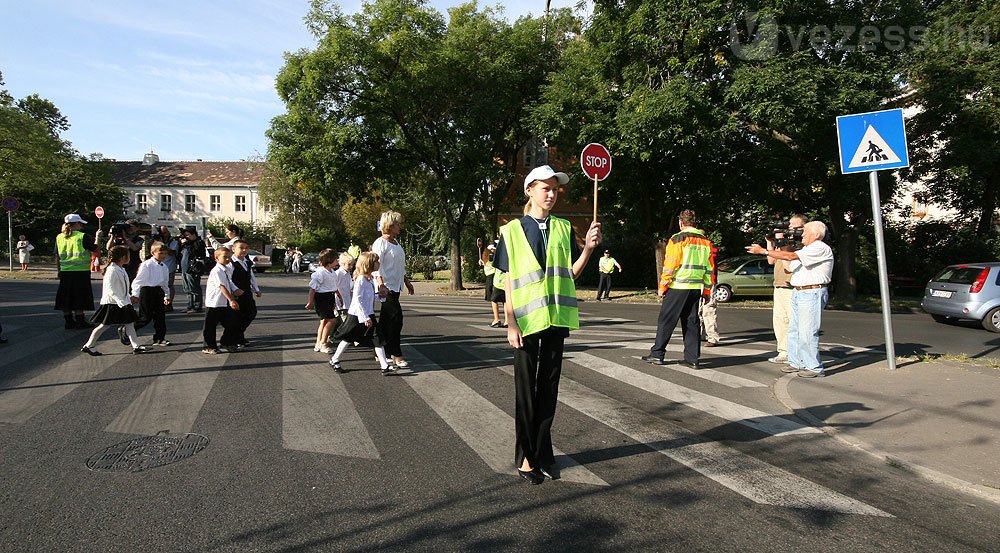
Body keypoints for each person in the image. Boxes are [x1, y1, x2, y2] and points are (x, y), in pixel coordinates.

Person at [494, 164, 602, 485]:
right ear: (530, 191)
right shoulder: (512, 230)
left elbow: (570, 273)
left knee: (549, 391)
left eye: (555, 188)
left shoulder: (564, 228)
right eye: (546, 188)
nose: (552, 194)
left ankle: (544, 453)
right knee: (526, 392)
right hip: (526, 322)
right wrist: (511, 323)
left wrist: (588, 249)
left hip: (556, 319)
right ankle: (526, 456)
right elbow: (509, 282)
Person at [747, 221, 834, 377]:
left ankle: (814, 367)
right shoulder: (806, 249)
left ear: (816, 235)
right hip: (799, 292)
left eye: (805, 232)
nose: (802, 235)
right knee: (794, 330)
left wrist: (764, 252)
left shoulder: (819, 248)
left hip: (811, 292)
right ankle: (797, 362)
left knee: (807, 332)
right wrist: (780, 243)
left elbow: (790, 256)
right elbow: (788, 265)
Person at [641, 209, 714, 369]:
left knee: (666, 321)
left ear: (681, 222)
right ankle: (692, 358)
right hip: (695, 288)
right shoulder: (705, 241)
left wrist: (663, 286)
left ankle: (657, 354)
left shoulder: (677, 238)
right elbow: (709, 269)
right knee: (692, 323)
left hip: (678, 287)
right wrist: (707, 291)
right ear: (694, 223)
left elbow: (670, 265)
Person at [328, 251, 394, 375]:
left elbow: (368, 298)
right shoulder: (361, 280)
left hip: (368, 313)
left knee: (377, 338)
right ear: (369, 264)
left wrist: (380, 296)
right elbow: (357, 299)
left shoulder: (369, 279)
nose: (378, 264)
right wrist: (364, 317)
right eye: (376, 262)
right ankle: (334, 359)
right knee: (348, 338)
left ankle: (384, 365)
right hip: (357, 315)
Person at [80, 246, 151, 355]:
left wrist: (128, 297)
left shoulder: (120, 268)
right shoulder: (112, 270)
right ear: (123, 257)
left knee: (129, 323)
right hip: (113, 303)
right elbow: (111, 289)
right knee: (104, 325)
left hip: (122, 302)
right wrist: (122, 302)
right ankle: (88, 345)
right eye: (128, 255)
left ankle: (136, 346)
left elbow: (123, 287)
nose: (129, 258)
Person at [372, 211, 415, 369]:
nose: (400, 227)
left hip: (396, 286)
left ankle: (379, 349)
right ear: (389, 226)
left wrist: (407, 281)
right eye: (397, 224)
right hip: (386, 288)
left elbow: (399, 266)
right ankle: (396, 354)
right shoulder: (380, 243)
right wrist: (381, 284)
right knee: (396, 319)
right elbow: (376, 266)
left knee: (385, 321)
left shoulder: (396, 243)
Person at [765, 214, 808, 365]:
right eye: (789, 225)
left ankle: (794, 353)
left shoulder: (798, 244)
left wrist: (782, 244)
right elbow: (771, 260)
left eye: (794, 226)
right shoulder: (784, 242)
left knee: (792, 321)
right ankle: (783, 351)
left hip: (791, 286)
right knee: (779, 321)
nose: (790, 228)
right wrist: (770, 243)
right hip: (779, 285)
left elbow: (788, 266)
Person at [54, 214, 100, 329]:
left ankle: (68, 321)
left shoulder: (59, 237)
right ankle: (80, 321)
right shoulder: (82, 236)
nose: (82, 226)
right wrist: (98, 237)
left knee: (66, 297)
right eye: (81, 224)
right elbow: (96, 250)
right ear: (76, 224)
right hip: (80, 272)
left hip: (65, 271)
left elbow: (57, 256)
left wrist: (59, 270)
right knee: (80, 296)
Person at [129, 241, 172, 347]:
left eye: (165, 253)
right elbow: (138, 281)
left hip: (158, 291)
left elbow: (165, 283)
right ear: (153, 253)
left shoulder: (164, 266)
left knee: (160, 317)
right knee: (145, 317)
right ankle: (128, 330)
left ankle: (159, 338)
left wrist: (167, 295)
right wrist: (135, 294)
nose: (163, 256)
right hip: (147, 291)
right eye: (161, 253)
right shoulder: (147, 265)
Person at [202, 247, 243, 354]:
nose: (228, 259)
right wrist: (231, 300)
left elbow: (229, 282)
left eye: (229, 257)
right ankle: (208, 346)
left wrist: (236, 289)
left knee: (232, 323)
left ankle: (227, 342)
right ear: (216, 257)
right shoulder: (217, 271)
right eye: (225, 257)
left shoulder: (226, 269)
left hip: (224, 303)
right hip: (215, 303)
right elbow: (222, 286)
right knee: (210, 326)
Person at [306, 248, 339, 353]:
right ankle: (324, 343)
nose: (337, 261)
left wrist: (338, 296)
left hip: (329, 297)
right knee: (332, 320)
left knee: (324, 321)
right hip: (321, 298)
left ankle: (318, 343)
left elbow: (333, 287)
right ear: (329, 262)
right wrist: (310, 302)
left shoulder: (332, 272)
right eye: (336, 260)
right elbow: (313, 289)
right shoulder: (320, 273)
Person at [231, 239, 261, 348]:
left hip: (247, 292)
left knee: (251, 312)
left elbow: (251, 276)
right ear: (233, 249)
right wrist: (235, 290)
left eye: (246, 248)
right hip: (236, 294)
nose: (244, 250)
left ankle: (238, 335)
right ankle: (237, 338)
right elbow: (228, 279)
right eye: (241, 248)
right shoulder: (231, 262)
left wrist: (256, 289)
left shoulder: (247, 262)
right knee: (238, 316)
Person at [178, 227, 207, 313]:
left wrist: (187, 243)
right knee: (186, 288)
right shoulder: (187, 244)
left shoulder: (199, 242)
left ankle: (197, 306)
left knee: (194, 288)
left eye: (188, 235)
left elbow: (196, 252)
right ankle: (190, 305)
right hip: (184, 268)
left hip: (193, 269)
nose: (186, 237)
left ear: (194, 234)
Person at [479, 242, 508, 327]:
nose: (492, 250)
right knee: (504, 300)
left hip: (494, 280)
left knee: (494, 299)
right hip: (501, 280)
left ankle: (497, 319)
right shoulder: (500, 254)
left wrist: (485, 264)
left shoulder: (492, 256)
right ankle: (506, 320)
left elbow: (494, 266)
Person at [700, 243, 720, 347]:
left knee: (708, 309)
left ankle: (712, 338)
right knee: (699, 309)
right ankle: (702, 334)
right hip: (699, 281)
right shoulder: (707, 246)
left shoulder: (710, 247)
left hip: (708, 282)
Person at [155, 226, 179, 310]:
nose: (163, 235)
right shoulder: (157, 241)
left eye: (165, 232)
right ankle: (160, 303)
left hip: (170, 266)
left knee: (169, 285)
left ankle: (169, 303)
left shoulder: (173, 241)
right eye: (162, 233)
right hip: (158, 266)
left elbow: (173, 252)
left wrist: (163, 245)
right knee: (159, 285)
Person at [334, 252, 355, 321]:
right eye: (349, 264)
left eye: (352, 265)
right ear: (342, 264)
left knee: (345, 319)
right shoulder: (338, 273)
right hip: (339, 300)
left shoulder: (348, 273)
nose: (351, 267)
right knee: (341, 319)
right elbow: (334, 286)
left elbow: (349, 286)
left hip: (346, 300)